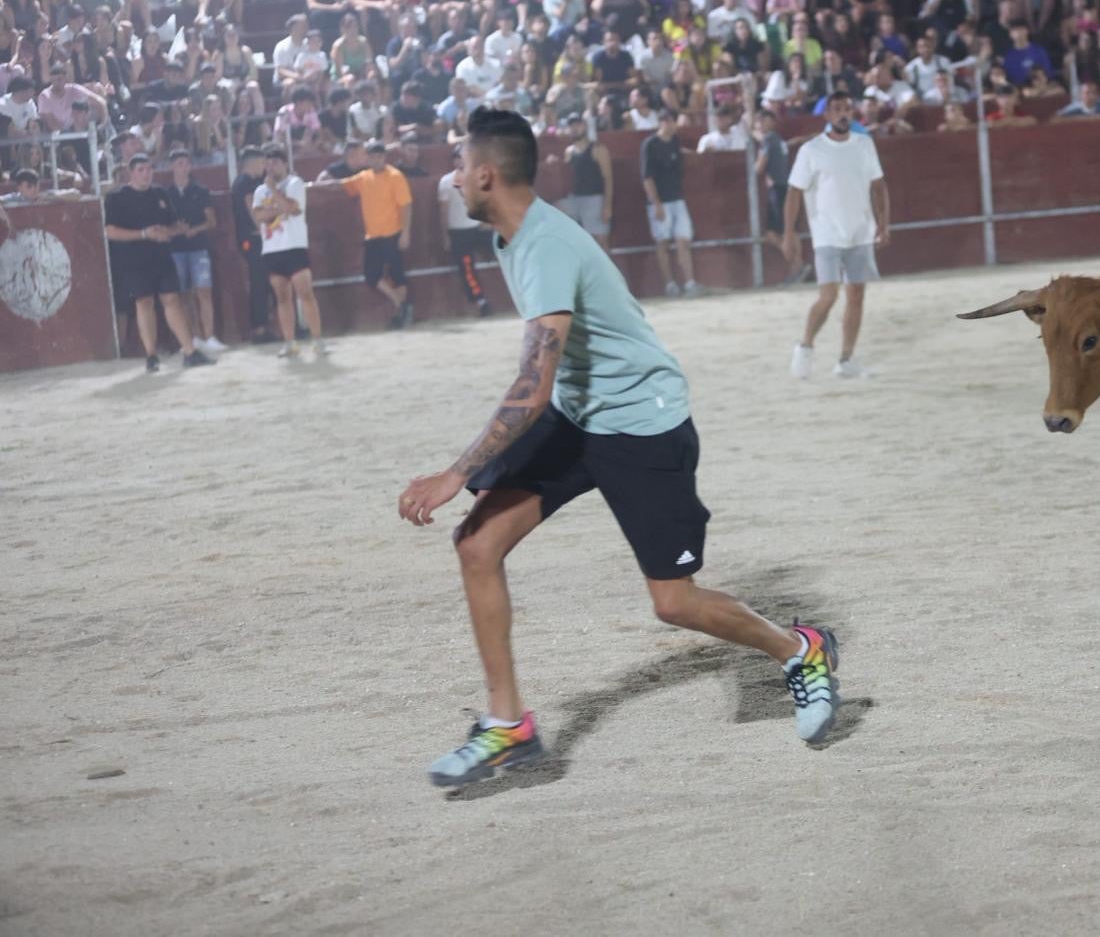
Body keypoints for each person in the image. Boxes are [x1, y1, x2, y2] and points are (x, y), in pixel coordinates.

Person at [398, 108, 841, 786]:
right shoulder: (511, 238)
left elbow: (531, 384)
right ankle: (508, 726)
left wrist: (459, 471)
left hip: (641, 423)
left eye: (460, 166)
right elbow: (553, 384)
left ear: (486, 175)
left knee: (673, 602)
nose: (453, 179)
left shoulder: (543, 246)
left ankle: (800, 649)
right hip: (580, 417)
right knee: (477, 545)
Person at [784, 93, 890, 379]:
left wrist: (884, 223)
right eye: (837, 110)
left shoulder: (864, 145)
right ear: (827, 116)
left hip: (860, 231)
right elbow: (794, 192)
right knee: (828, 296)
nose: (843, 114)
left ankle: (845, 359)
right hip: (826, 233)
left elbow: (879, 186)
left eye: (847, 108)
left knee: (856, 295)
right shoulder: (812, 150)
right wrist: (789, 232)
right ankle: (805, 345)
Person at [104, 155, 216, 372]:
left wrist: (172, 231)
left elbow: (174, 225)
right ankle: (151, 355)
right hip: (135, 259)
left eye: (149, 169)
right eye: (141, 170)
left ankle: (189, 351)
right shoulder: (117, 197)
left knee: (172, 300)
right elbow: (110, 232)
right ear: (131, 172)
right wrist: (145, 234)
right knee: (144, 303)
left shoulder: (160, 193)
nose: (146, 174)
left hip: (162, 256)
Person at [321, 139, 415, 327]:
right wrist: (323, 180)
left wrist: (405, 233)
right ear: (368, 158)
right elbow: (341, 184)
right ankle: (401, 304)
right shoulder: (364, 177)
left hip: (393, 232)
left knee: (396, 274)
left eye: (379, 156)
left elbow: (406, 206)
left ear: (384, 157)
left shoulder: (395, 176)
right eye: (372, 156)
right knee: (371, 275)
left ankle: (400, 313)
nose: (376, 159)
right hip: (373, 235)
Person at [253, 144, 328, 357]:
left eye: (275, 163)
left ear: (285, 164)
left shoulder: (295, 183)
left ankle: (317, 339)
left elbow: (291, 209)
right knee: (282, 297)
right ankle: (290, 341)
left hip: (294, 245)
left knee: (305, 293)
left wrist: (275, 196)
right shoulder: (260, 190)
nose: (270, 168)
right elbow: (258, 217)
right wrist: (278, 206)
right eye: (267, 164)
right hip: (272, 249)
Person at [166, 148, 225, 354]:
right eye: (179, 164)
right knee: (183, 296)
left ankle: (208, 336)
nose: (183, 168)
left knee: (203, 292)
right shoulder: (167, 194)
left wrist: (193, 230)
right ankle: (194, 336)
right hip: (177, 249)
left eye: (186, 163)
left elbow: (211, 221)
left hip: (198, 247)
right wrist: (177, 230)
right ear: (172, 166)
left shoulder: (200, 190)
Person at [640, 114, 702, 297]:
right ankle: (670, 284)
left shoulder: (675, 141)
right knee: (663, 243)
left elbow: (678, 154)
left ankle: (690, 282)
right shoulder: (650, 145)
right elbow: (647, 177)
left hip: (677, 198)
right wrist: (656, 203)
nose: (673, 125)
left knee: (683, 240)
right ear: (662, 122)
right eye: (670, 121)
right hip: (660, 202)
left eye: (674, 121)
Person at [753, 109, 806, 284]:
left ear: (770, 121)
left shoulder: (769, 139)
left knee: (776, 232)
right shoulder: (778, 139)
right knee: (788, 230)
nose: (760, 124)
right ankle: (797, 267)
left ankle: (797, 266)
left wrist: (752, 168)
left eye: (763, 120)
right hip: (786, 186)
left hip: (777, 188)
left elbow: (759, 168)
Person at [440, 148, 495, 317]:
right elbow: (443, 211)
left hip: (478, 228)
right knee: (467, 270)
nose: (460, 161)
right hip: (459, 232)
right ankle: (481, 302)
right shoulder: (445, 181)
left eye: (462, 157)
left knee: (505, 254)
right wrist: (445, 235)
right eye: (457, 158)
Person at [230, 145, 274, 343]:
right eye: (262, 162)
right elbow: (252, 208)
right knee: (259, 282)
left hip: (254, 237)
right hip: (254, 238)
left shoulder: (247, 181)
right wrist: (265, 231)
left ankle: (262, 327)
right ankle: (259, 329)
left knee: (262, 282)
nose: (265, 166)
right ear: (254, 162)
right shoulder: (246, 182)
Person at [556, 114, 614, 253]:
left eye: (578, 124)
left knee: (601, 241)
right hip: (574, 199)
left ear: (585, 126)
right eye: (571, 126)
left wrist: (607, 206)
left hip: (594, 199)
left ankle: (607, 274)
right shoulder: (569, 151)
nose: (575, 128)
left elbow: (608, 179)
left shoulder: (598, 149)